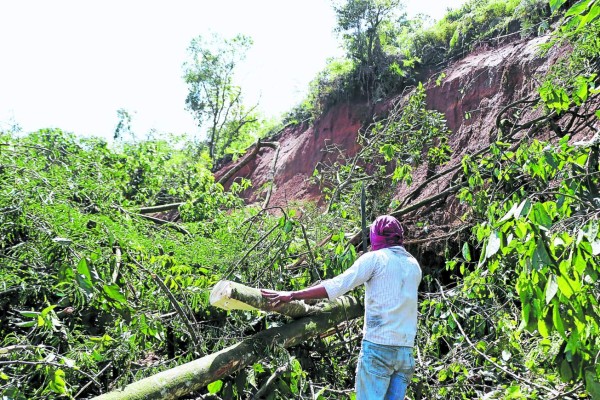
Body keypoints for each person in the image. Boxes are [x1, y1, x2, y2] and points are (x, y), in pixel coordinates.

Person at [261, 215, 422, 400]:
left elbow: (337, 286)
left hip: (379, 350)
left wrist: (293, 294)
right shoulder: (413, 265)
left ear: (375, 236)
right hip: (405, 354)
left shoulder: (376, 259)